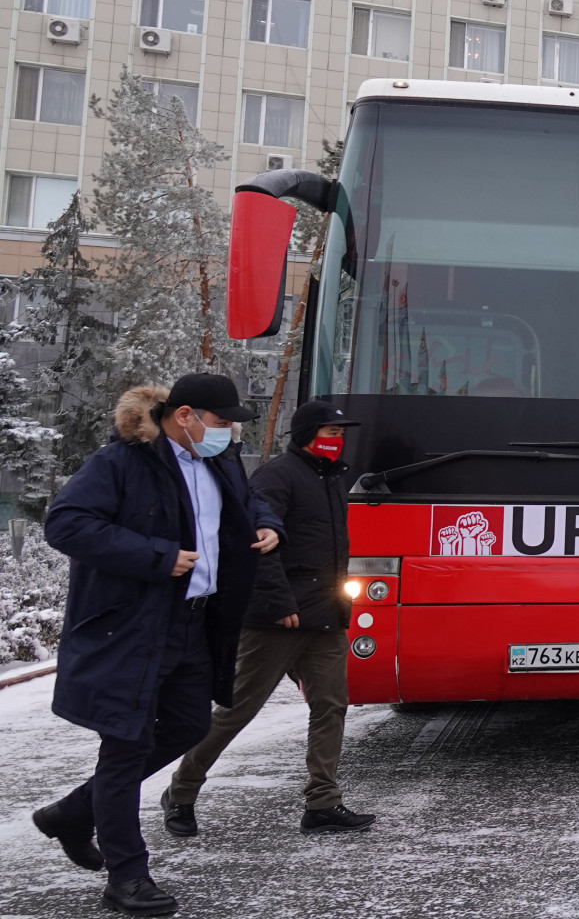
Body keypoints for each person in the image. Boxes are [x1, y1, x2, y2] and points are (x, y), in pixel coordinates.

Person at [33, 375, 284, 917]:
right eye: (222, 422)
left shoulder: (218, 460)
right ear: (186, 415)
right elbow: (66, 523)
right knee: (124, 746)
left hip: (197, 623)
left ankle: (74, 814)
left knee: (190, 725)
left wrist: (265, 524)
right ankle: (127, 876)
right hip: (132, 628)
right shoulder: (122, 461)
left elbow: (249, 499)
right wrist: (157, 555)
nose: (231, 432)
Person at [164, 400, 376, 838]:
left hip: (325, 615)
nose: (338, 441)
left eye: (341, 435)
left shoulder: (334, 478)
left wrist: (341, 605)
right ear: (306, 435)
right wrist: (280, 604)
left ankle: (323, 803)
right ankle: (181, 792)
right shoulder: (277, 476)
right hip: (277, 619)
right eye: (330, 433)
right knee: (236, 711)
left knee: (331, 707)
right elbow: (255, 545)